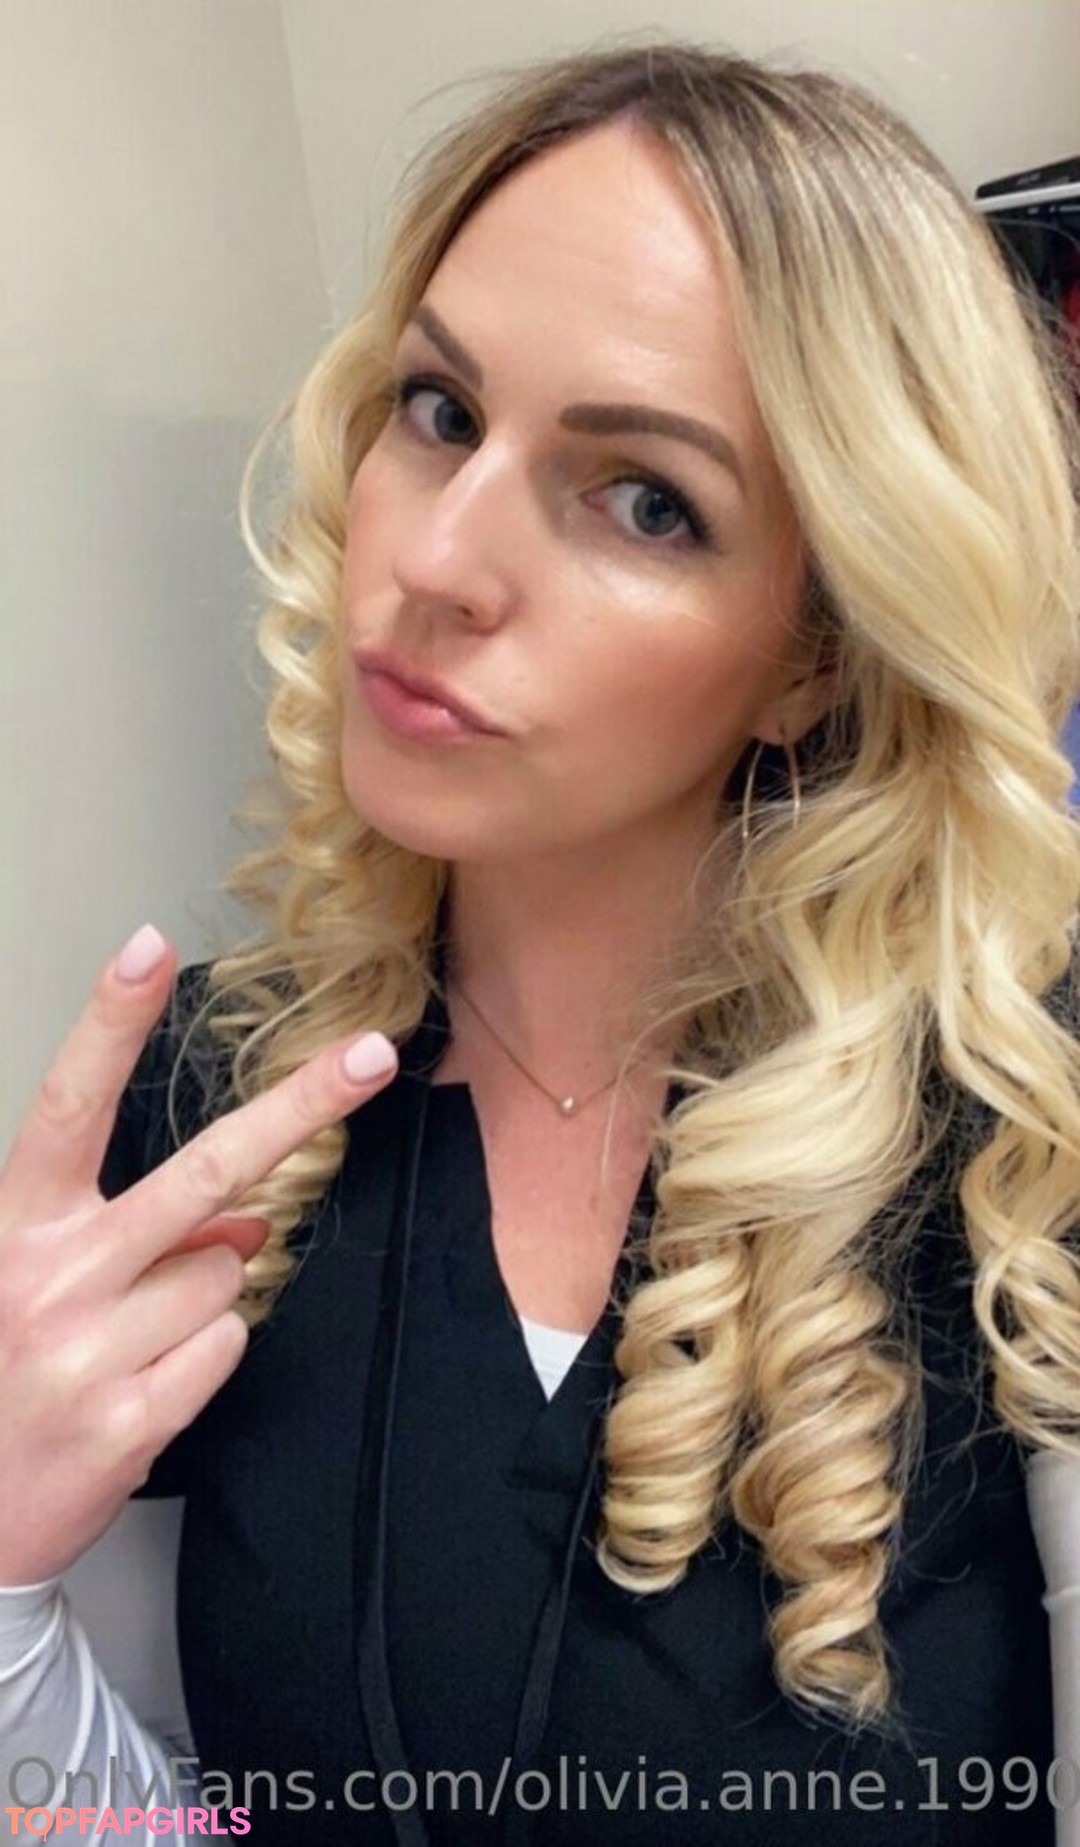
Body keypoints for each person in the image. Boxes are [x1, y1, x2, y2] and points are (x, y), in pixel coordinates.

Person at [2, 38, 1080, 1847]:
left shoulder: (1023, 1148)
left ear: (817, 655)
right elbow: (163, 1804)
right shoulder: (212, 1106)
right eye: (439, 410)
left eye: (647, 500)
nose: (436, 562)